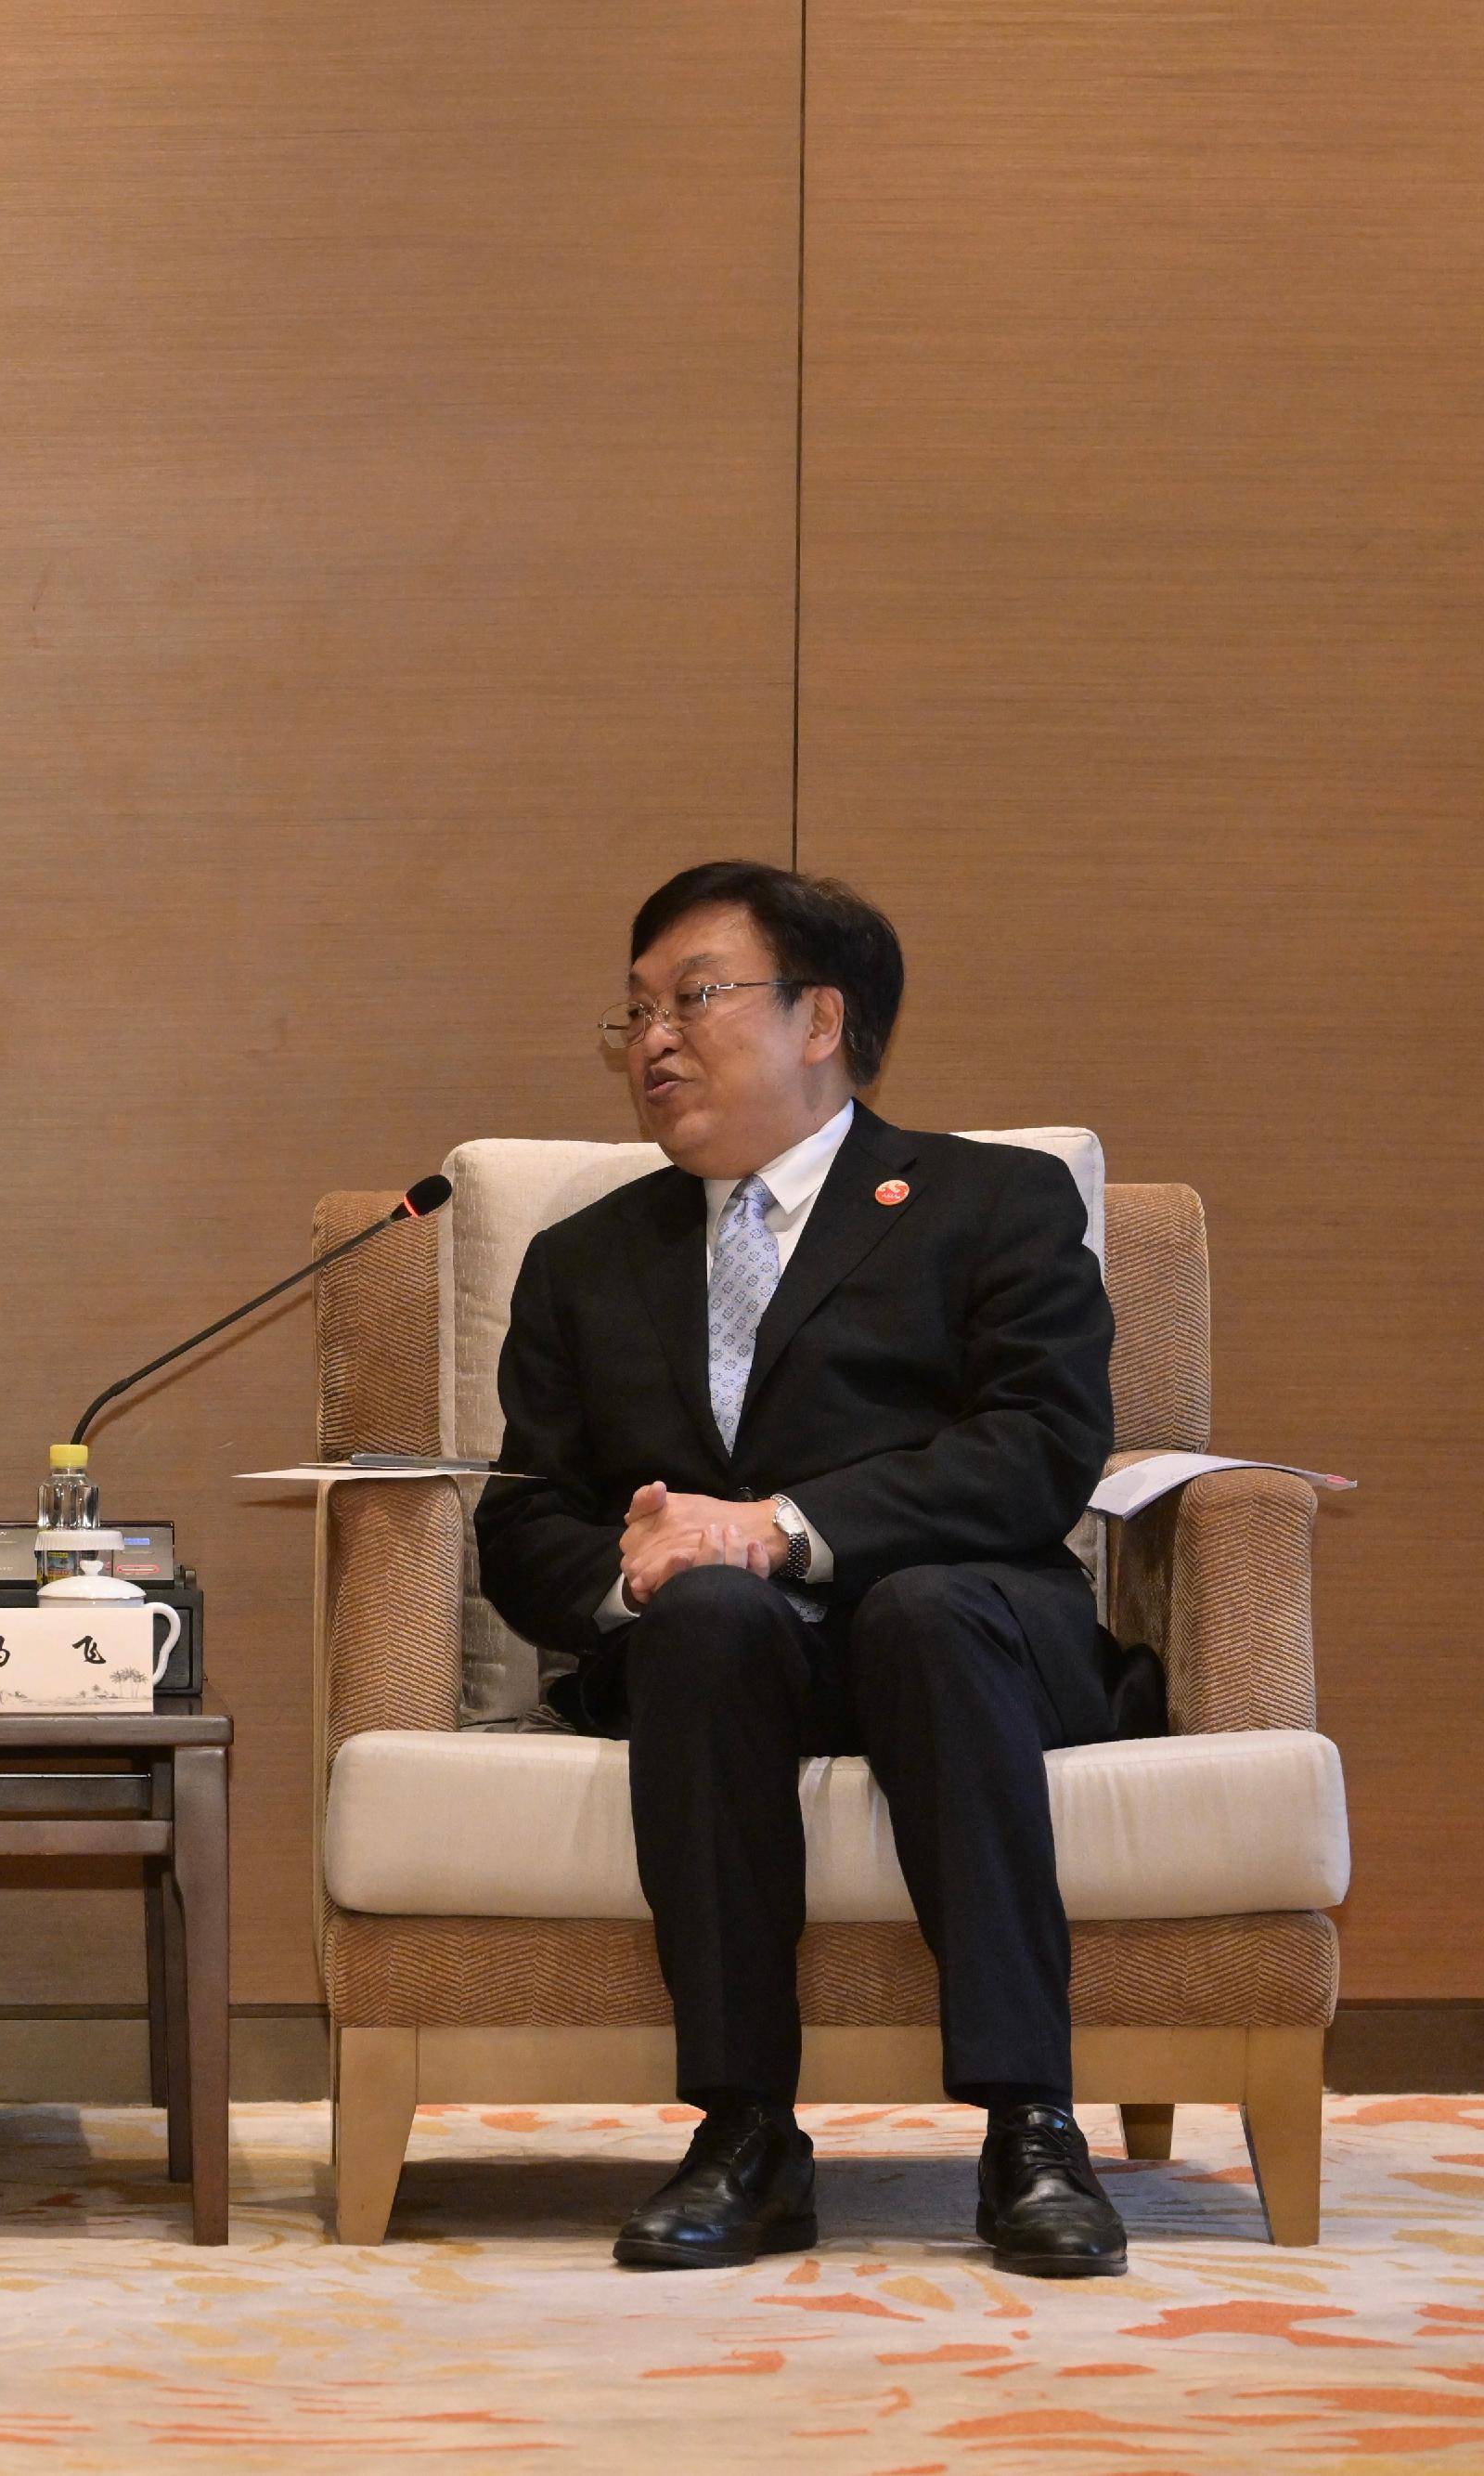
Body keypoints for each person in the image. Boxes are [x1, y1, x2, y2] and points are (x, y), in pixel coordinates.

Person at [476, 860, 1132, 2277]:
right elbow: (526, 1521)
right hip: (727, 1665)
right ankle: (745, 2133)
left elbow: (1041, 1449)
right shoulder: (584, 1260)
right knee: (706, 1614)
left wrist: (773, 1523)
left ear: (819, 1019)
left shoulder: (989, 1200)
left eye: (693, 998)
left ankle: (1032, 2123)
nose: (651, 1040)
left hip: (969, 1642)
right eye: (633, 1012)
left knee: (925, 1603)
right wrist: (642, 1569)